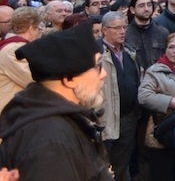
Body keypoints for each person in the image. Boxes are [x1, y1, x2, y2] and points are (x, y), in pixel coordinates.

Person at [0, 25, 104, 180]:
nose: (103, 74)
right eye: (97, 66)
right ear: (69, 79)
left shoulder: (58, 125)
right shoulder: (51, 141)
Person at [139, 31, 175, 181]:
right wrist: (168, 101)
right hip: (164, 131)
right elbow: (144, 96)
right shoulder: (155, 70)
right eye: (171, 47)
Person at [98, 12, 141, 181]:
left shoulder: (130, 52)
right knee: (103, 165)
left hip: (128, 118)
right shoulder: (97, 53)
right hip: (105, 118)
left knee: (123, 164)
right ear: (105, 30)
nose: (122, 32)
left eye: (124, 27)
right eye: (117, 28)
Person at [0, 6, 38, 111]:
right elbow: (32, 79)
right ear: (31, 28)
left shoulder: (12, 46)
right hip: (8, 113)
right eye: (38, 28)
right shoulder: (14, 50)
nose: (39, 32)